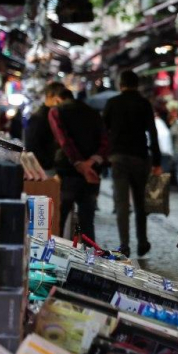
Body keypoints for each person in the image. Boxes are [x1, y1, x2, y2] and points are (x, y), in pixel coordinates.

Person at [102, 70, 162, 258]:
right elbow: (153, 133)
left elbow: (104, 132)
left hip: (118, 157)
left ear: (121, 84)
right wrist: (157, 160)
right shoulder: (144, 104)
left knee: (121, 203)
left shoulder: (113, 103)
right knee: (140, 202)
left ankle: (124, 245)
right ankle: (142, 241)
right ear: (137, 85)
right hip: (139, 157)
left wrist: (105, 157)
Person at [49, 88, 109, 241]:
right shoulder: (92, 112)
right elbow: (105, 142)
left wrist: (78, 162)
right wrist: (91, 162)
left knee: (59, 220)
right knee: (87, 221)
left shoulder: (56, 112)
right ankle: (90, 261)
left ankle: (54, 257)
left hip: (67, 172)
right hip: (91, 174)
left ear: (57, 99)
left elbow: (64, 140)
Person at [26, 81, 65, 176]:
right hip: (44, 169)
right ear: (50, 95)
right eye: (61, 97)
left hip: (50, 166)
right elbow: (32, 145)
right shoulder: (39, 117)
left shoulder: (55, 114)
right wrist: (48, 163)